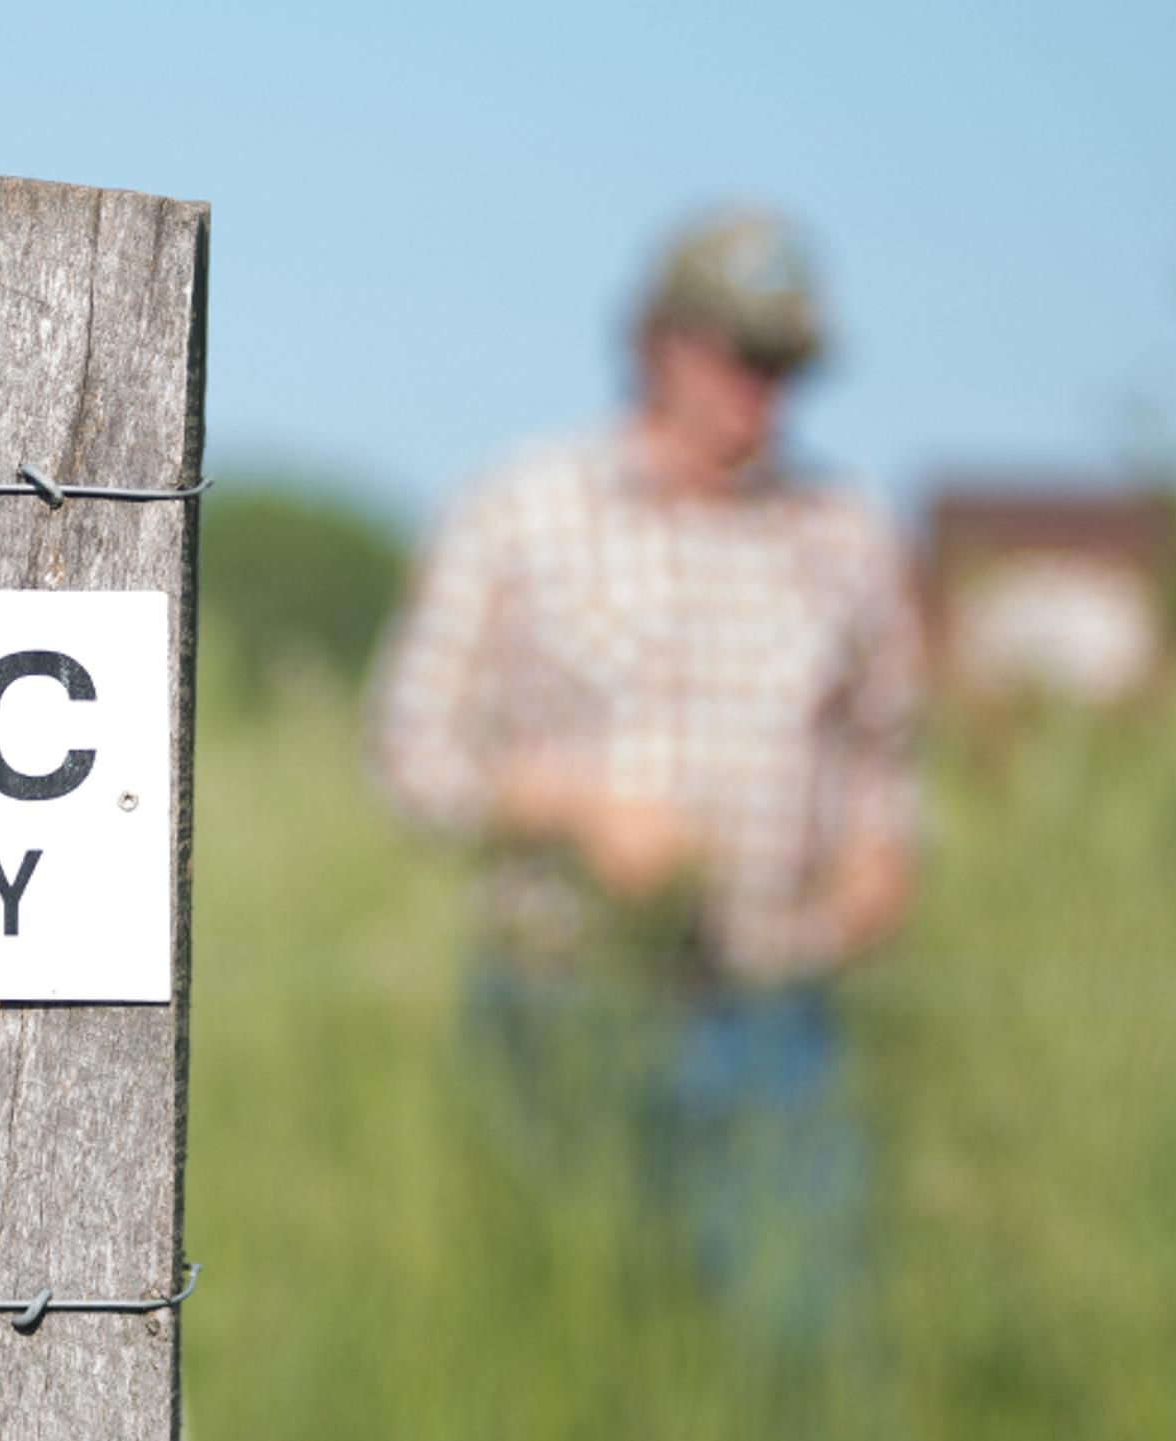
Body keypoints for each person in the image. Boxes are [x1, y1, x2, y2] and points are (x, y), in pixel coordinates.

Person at [368, 205, 923, 1363]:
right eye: (742, 354)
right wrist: (573, 807)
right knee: (568, 1348)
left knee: (794, 1347)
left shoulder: (847, 531)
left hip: (778, 1005)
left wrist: (880, 856)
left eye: (787, 364)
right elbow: (412, 752)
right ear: (662, 342)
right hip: (564, 1000)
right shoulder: (520, 507)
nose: (764, 391)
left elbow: (884, 753)